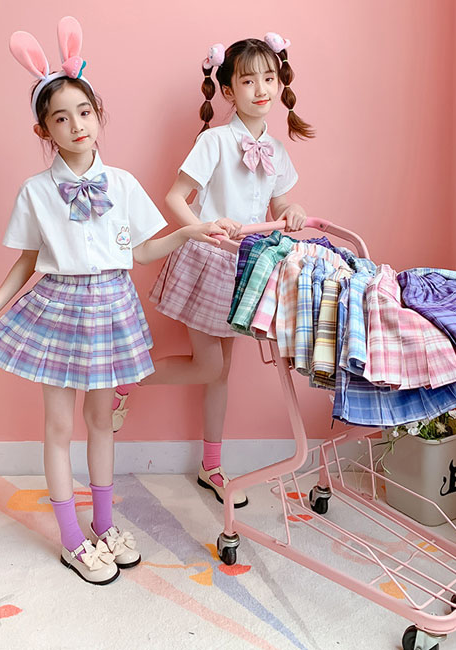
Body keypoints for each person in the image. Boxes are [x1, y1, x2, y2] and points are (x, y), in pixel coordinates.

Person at [0, 17, 225, 585]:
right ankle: (71, 539)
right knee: (59, 426)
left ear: (98, 114)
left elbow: (142, 251)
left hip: (112, 306)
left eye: (84, 112)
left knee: (102, 421)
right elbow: (29, 260)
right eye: (61, 117)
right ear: (44, 130)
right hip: (59, 308)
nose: (76, 124)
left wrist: (189, 232)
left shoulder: (124, 184)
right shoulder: (36, 192)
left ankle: (104, 525)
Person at [113, 33, 314, 508]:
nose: (261, 89)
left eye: (269, 78)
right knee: (209, 366)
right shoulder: (215, 141)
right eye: (248, 81)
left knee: (220, 375)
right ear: (228, 90)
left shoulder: (277, 149)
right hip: (207, 261)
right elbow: (174, 198)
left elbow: (279, 203)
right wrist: (202, 230)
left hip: (246, 267)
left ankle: (211, 465)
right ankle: (125, 380)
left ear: (280, 82)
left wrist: (292, 210)